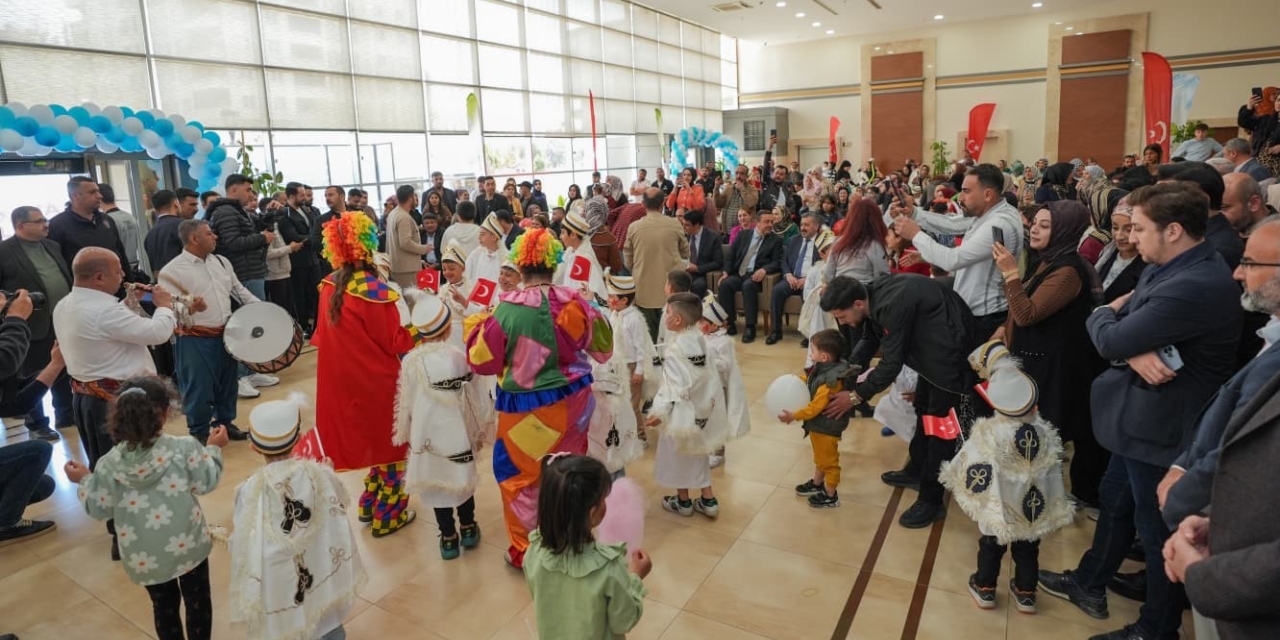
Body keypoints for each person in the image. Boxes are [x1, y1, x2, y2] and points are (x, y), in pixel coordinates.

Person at [1038, 183, 1242, 640]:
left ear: (1172, 230)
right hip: (1137, 419)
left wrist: (1111, 322)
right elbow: (1122, 335)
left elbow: (1109, 332)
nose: (1131, 237)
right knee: (1115, 504)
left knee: (1155, 534)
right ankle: (1090, 580)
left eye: (1141, 229)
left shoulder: (1194, 284)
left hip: (1163, 428)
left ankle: (1157, 628)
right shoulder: (1168, 266)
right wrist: (1128, 345)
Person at [1155, 217, 1280, 640]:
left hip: (1245, 592)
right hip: (1223, 542)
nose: (1237, 272)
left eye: (1250, 262)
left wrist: (1209, 575)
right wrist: (1215, 519)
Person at [465, 228, 613, 569]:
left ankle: (527, 549)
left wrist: (475, 325)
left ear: (519, 265)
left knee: (520, 477)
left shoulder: (507, 310)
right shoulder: (574, 301)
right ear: (553, 264)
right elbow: (604, 347)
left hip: (526, 412)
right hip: (574, 404)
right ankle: (573, 537)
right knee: (569, 472)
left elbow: (481, 359)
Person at [64, 377, 228, 640]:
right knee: (198, 603)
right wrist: (214, 449)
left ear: (119, 416)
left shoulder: (108, 465)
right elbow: (205, 482)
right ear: (164, 414)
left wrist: (84, 479)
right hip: (189, 548)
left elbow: (99, 508)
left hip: (145, 557)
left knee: (163, 608)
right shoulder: (184, 448)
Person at [820, 274, 979, 528]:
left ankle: (931, 500)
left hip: (949, 357)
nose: (843, 323)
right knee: (922, 411)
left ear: (858, 304)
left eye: (841, 316)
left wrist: (856, 396)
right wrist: (849, 369)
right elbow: (870, 338)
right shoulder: (871, 294)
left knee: (939, 429)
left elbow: (891, 363)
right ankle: (916, 469)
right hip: (930, 354)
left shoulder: (892, 304)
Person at [55, 247, 179, 559]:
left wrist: (130, 303)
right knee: (129, 467)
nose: (124, 276)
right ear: (99, 277)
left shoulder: (67, 304)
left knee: (105, 464)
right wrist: (163, 306)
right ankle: (132, 532)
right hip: (114, 403)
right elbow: (158, 334)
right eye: (117, 271)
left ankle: (118, 533)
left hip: (86, 398)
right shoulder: (103, 310)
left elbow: (109, 333)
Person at [940, 340, 1073, 615]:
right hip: (1031, 507)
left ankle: (985, 587)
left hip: (1000, 506)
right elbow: (1053, 472)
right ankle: (1026, 593)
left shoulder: (989, 432)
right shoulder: (1045, 433)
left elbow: (969, 466)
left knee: (992, 544)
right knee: (1028, 549)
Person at [991, 201, 1104, 507]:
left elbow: (1028, 313)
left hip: (1054, 368)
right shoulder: (1049, 259)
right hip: (1038, 360)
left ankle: (1038, 504)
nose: (1034, 230)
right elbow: (1023, 305)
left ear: (1066, 230)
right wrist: (1005, 328)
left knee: (1043, 437)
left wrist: (1011, 274)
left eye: (1045, 225)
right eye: (1034, 223)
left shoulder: (1067, 271)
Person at [313, 212, 419, 538]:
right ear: (369, 244)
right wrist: (425, 327)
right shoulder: (375, 292)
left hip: (343, 382)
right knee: (391, 445)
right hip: (377, 382)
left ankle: (369, 502)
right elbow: (396, 341)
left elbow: (320, 336)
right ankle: (388, 515)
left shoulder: (330, 284)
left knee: (373, 442)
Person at [229, 395, 363, 640]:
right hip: (319, 563)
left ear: (253, 446)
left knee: (290, 622)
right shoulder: (318, 474)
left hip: (280, 576)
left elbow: (243, 535)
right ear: (299, 439)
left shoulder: (250, 490)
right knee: (326, 617)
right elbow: (341, 502)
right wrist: (329, 471)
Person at [393, 294, 492, 560]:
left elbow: (407, 401)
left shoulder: (410, 361)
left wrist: (408, 429)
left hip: (427, 434)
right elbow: (475, 392)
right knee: (461, 479)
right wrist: (480, 425)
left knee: (436, 482)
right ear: (449, 329)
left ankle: (448, 537)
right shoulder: (456, 355)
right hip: (456, 431)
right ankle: (468, 527)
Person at [523, 454, 651, 639]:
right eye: (603, 499)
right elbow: (623, 621)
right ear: (594, 513)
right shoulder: (608, 567)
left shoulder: (533, 552)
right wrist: (636, 578)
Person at [893, 164, 1025, 337]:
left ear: (987, 194)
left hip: (985, 316)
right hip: (978, 312)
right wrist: (914, 213)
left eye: (966, 191)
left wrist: (916, 235)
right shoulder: (992, 212)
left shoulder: (998, 223)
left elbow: (953, 260)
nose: (960, 197)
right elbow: (952, 224)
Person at [157, 220, 255, 441]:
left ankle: (224, 424)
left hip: (228, 334)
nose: (216, 237)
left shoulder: (221, 261)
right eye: (210, 233)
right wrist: (189, 308)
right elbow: (168, 307)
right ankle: (199, 432)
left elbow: (239, 290)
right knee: (198, 386)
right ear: (194, 238)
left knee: (228, 383)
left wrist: (264, 311)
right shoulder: (171, 271)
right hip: (195, 338)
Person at [646, 292, 728, 518]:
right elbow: (708, 376)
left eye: (668, 312)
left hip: (680, 416)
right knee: (699, 453)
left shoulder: (675, 350)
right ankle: (708, 499)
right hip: (701, 411)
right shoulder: (701, 339)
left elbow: (674, 388)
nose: (665, 316)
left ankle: (683, 502)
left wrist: (659, 412)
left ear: (678, 320)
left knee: (678, 455)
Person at [0, 206, 73, 441]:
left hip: (61, 319)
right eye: (39, 221)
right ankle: (37, 423)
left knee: (62, 366)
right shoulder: (4, 251)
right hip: (27, 325)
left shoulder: (52, 246)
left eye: (45, 219)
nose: (45, 224)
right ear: (20, 226)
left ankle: (66, 415)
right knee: (32, 373)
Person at [778, 328, 854, 509]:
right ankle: (817, 484)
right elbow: (812, 379)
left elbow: (814, 408)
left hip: (827, 427)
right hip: (819, 427)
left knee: (829, 462)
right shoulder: (824, 368)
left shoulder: (830, 381)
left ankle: (830, 495)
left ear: (825, 357)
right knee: (821, 457)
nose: (810, 353)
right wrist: (797, 380)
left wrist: (794, 416)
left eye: (812, 350)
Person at [592, 273, 651, 476]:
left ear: (625, 300)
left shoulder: (634, 319)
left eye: (613, 297)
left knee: (633, 405)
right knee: (622, 404)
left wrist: (640, 370)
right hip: (617, 367)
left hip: (631, 366)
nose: (609, 301)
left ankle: (640, 436)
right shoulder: (615, 314)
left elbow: (641, 346)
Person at [624, 189, 691, 340]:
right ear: (663, 203)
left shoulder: (634, 227)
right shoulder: (674, 224)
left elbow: (628, 260)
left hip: (643, 290)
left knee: (649, 338)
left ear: (643, 204)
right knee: (673, 337)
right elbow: (686, 253)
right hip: (672, 290)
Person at [717, 209, 783, 344]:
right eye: (767, 222)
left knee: (748, 286)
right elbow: (730, 256)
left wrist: (765, 269)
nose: (770, 225)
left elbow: (777, 261)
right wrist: (726, 272)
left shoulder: (775, 240)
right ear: (757, 223)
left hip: (756, 276)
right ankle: (730, 323)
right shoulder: (743, 235)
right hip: (739, 272)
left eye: (772, 222)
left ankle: (750, 326)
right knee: (725, 285)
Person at [699, 294, 748, 469]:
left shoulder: (723, 342)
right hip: (705, 386)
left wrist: (708, 360)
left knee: (717, 419)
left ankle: (718, 452)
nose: (699, 325)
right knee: (705, 418)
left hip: (718, 387)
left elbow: (726, 365)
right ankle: (707, 446)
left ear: (715, 325)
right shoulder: (704, 337)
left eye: (703, 322)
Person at [48, 177, 131, 277]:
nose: (99, 196)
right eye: (92, 192)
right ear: (75, 196)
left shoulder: (106, 220)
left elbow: (120, 252)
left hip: (117, 286)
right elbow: (58, 264)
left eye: (98, 191)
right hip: (85, 289)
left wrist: (130, 282)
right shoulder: (57, 225)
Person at [767, 212, 823, 345]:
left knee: (812, 295)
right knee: (777, 291)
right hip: (792, 279)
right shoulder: (794, 240)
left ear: (816, 226)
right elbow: (783, 261)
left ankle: (808, 334)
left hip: (810, 282)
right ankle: (776, 331)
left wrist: (808, 279)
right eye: (801, 224)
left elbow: (823, 265)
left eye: (806, 225)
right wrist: (788, 275)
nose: (802, 228)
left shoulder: (823, 242)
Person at [278, 183, 320, 335]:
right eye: (301, 195)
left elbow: (314, 229)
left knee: (316, 293)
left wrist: (314, 238)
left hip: (312, 259)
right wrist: (315, 239)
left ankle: (318, 324)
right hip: (298, 262)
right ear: (291, 196)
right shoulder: (285, 214)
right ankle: (302, 326)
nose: (304, 198)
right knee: (300, 295)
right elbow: (293, 237)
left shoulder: (305, 210)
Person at [553, 207, 607, 301]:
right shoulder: (571, 251)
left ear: (573, 235)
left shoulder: (582, 260)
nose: (560, 237)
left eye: (563, 233)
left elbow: (580, 294)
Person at [385, 185, 432, 288]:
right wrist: (424, 249)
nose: (416, 199)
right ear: (410, 198)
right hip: (406, 270)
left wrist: (418, 260)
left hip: (398, 266)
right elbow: (405, 243)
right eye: (415, 196)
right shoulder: (404, 217)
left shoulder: (393, 213)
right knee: (411, 301)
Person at [798, 231, 838, 352]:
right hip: (820, 308)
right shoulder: (815, 270)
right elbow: (807, 293)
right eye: (832, 252)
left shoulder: (842, 267)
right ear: (822, 254)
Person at [144, 189, 197, 275]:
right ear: (176, 203)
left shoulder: (150, 234)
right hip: (186, 281)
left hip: (162, 284)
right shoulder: (185, 226)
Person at [681, 209, 722, 298]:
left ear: (697, 225)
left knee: (698, 285)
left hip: (700, 274)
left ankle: (693, 310)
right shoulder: (682, 235)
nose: (683, 227)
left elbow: (717, 262)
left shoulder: (713, 237)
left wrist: (697, 268)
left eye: (687, 225)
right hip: (683, 271)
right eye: (683, 224)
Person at [713, 165, 760, 235]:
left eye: (742, 173)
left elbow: (752, 202)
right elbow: (718, 204)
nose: (738, 176)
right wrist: (716, 189)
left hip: (746, 231)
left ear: (747, 176)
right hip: (729, 231)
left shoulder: (752, 189)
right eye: (737, 173)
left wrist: (742, 189)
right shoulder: (728, 188)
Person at [467, 215, 507, 286]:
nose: (479, 237)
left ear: (494, 237)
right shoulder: (476, 254)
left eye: (482, 234)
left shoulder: (505, 258)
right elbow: (467, 275)